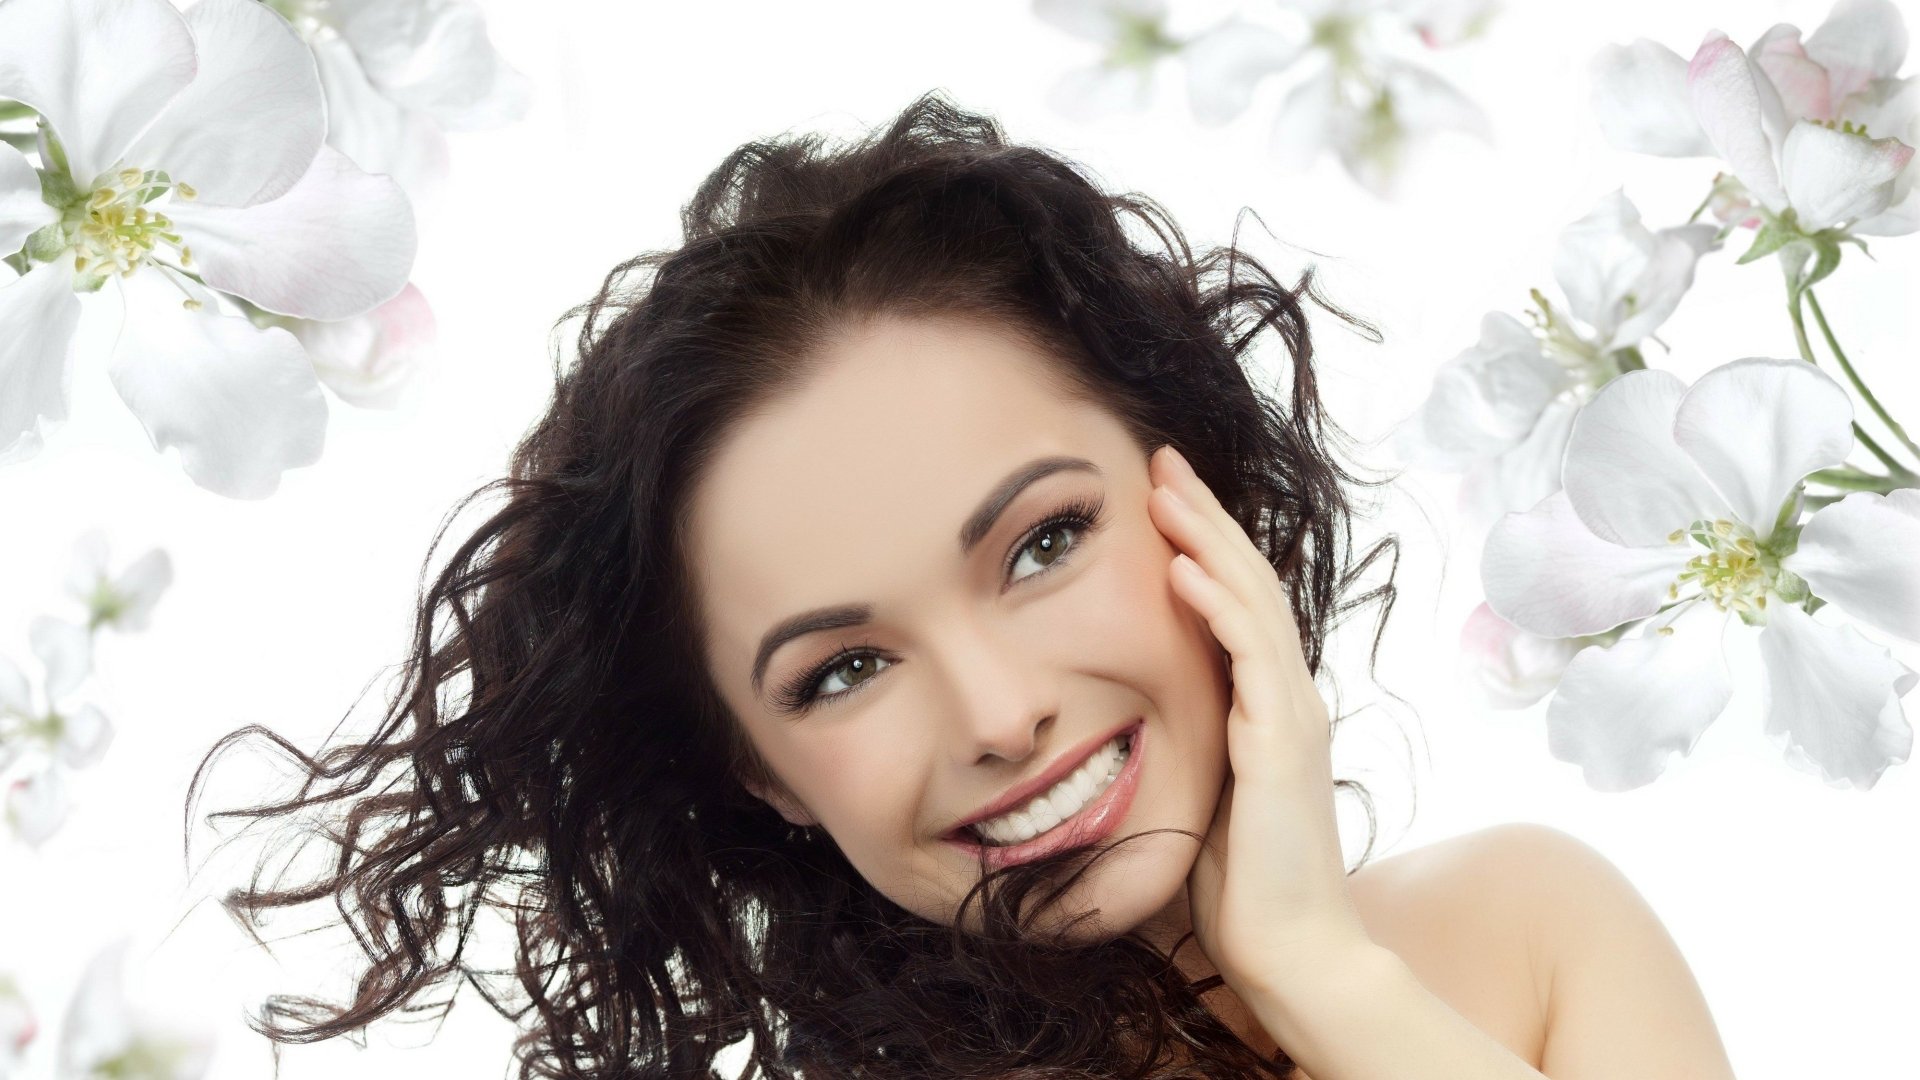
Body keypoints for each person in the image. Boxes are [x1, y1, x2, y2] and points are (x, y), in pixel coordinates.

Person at [189, 92, 1738, 1078]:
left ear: (1186, 484)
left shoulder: (1530, 933)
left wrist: (1326, 977)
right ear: (759, 773)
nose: (1001, 714)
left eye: (1044, 543)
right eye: (839, 670)